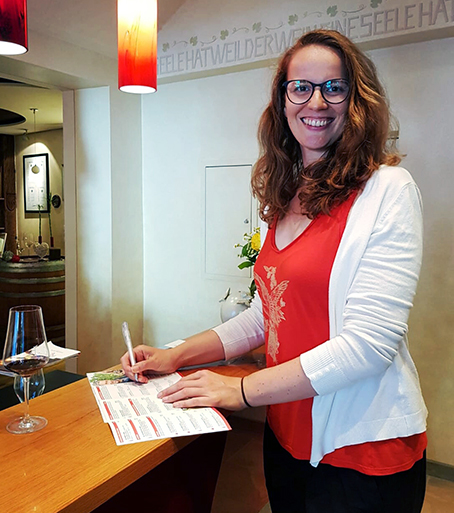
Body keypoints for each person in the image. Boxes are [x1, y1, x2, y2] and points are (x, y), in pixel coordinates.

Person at [121, 29, 427, 513]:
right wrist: (176, 355)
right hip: (285, 435)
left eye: (334, 87)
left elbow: (369, 346)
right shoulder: (284, 198)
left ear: (356, 99)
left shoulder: (387, 190)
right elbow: (267, 315)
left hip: (359, 450)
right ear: (283, 101)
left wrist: (239, 389)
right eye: (300, 87)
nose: (317, 101)